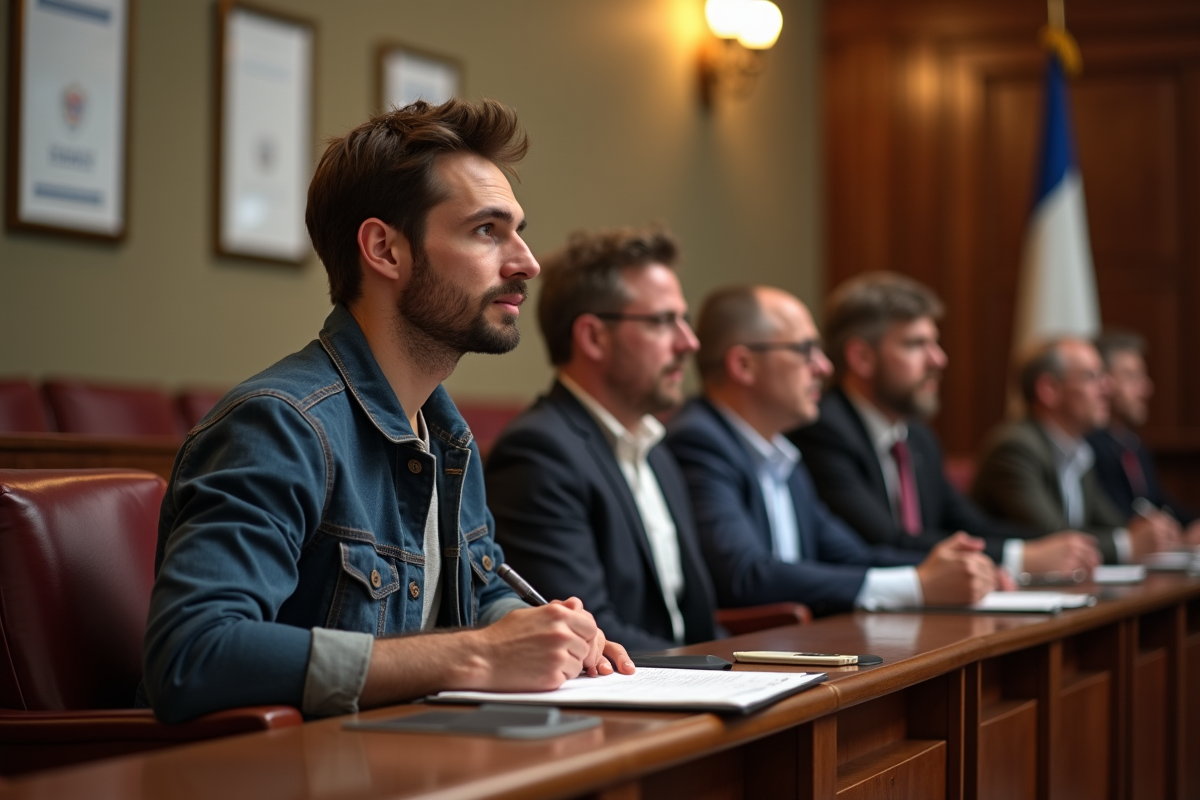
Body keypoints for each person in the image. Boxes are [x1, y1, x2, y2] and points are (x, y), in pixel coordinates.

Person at [142, 100, 632, 724]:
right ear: (385, 250)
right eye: (487, 230)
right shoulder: (279, 426)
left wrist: (535, 631)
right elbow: (193, 653)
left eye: (518, 229)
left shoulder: (446, 435)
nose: (526, 261)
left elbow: (476, 593)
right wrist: (479, 655)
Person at [665, 286, 1001, 617]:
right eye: (805, 350)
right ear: (743, 365)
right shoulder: (699, 441)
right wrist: (917, 584)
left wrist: (957, 570)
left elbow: (851, 556)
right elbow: (746, 575)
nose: (824, 367)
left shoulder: (783, 455)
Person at [484, 225, 718, 654]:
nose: (689, 342)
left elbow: (695, 622)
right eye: (664, 321)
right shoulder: (539, 453)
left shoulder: (657, 451)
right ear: (593, 336)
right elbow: (593, 637)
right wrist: (717, 670)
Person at [789, 272, 1100, 579]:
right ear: (862, 357)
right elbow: (882, 541)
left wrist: (1048, 546)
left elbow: (969, 526)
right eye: (915, 344)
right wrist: (1021, 558)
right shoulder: (822, 430)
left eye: (934, 344)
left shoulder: (918, 437)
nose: (938, 359)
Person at [972, 337, 1180, 563]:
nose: (1107, 388)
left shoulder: (1079, 449)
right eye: (1091, 376)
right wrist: (1128, 543)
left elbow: (1114, 524)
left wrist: (1149, 532)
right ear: (1049, 389)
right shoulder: (1015, 447)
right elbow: (1055, 539)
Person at [1087, 331, 1200, 543]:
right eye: (1132, 376)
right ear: (1104, 382)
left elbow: (1160, 504)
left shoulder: (1133, 444)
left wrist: (1193, 524)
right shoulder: (1086, 447)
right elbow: (1114, 519)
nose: (1146, 388)